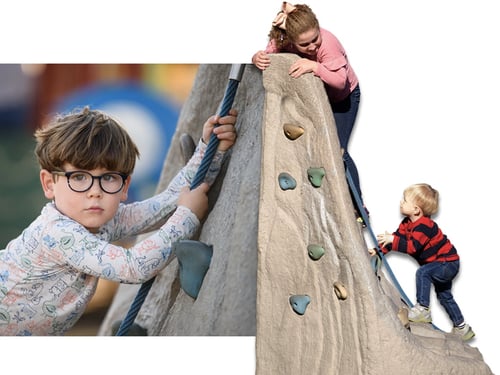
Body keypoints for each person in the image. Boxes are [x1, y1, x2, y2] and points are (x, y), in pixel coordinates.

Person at [0, 106, 237, 335]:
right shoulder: (59, 233)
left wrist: (210, 150)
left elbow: (165, 205)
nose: (95, 191)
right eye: (79, 177)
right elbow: (134, 267)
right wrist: (187, 217)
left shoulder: (102, 220)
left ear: (124, 186)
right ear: (49, 184)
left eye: (109, 178)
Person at [252, 2, 366, 221]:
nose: (313, 46)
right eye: (305, 45)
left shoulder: (328, 44)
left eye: (315, 39)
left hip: (343, 99)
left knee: (339, 151)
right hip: (318, 100)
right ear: (292, 41)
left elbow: (340, 82)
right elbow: (269, 56)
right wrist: (257, 57)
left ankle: (358, 207)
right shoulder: (284, 40)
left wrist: (314, 66)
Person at [370, 183, 475, 341]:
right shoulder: (407, 223)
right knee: (444, 295)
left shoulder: (425, 226)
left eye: (405, 200)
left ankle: (423, 309)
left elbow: (412, 247)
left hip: (448, 262)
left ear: (416, 209)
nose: (401, 202)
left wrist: (393, 239)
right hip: (441, 263)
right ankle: (462, 328)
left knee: (423, 272)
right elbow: (396, 239)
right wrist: (378, 251)